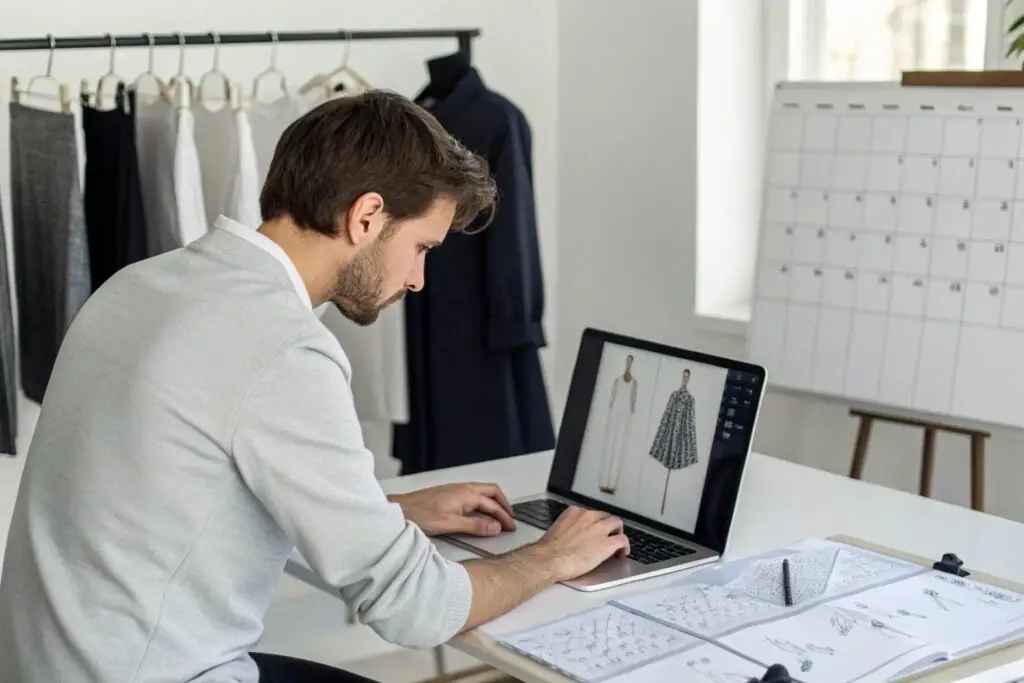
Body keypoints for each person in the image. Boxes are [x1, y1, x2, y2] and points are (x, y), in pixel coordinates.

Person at [0, 90, 630, 683]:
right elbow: (416, 609)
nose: (417, 279)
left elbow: (195, 489)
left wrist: (390, 515)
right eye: (420, 248)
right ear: (367, 215)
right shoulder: (283, 348)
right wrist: (552, 556)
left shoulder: (139, 284)